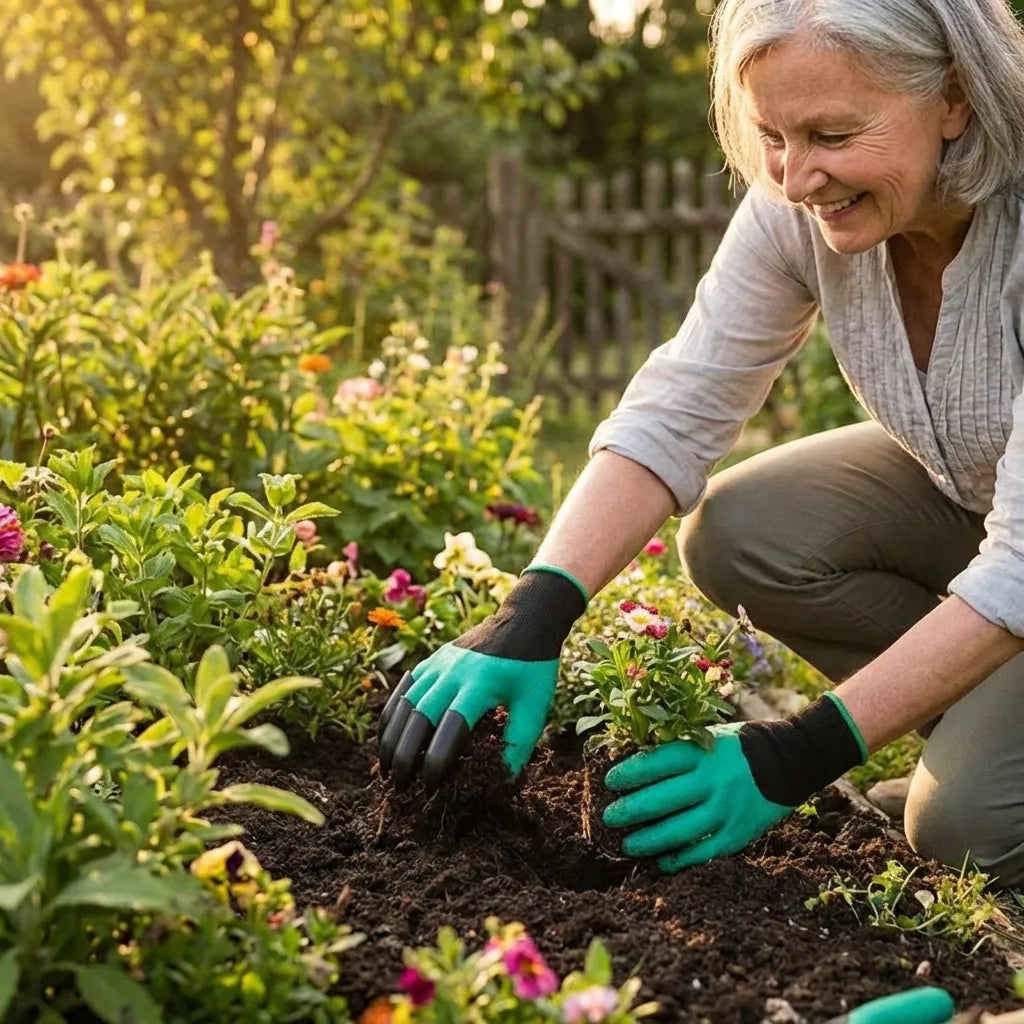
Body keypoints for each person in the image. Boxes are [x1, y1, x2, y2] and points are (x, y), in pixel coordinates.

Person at [380, 0, 1024, 905]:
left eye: (832, 133)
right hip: (990, 517)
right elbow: (686, 400)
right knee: (744, 530)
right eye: (773, 135)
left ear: (954, 99)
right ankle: (980, 745)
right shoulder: (803, 206)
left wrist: (796, 754)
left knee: (965, 835)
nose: (798, 178)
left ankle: (980, 781)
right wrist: (533, 611)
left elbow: (1021, 564)